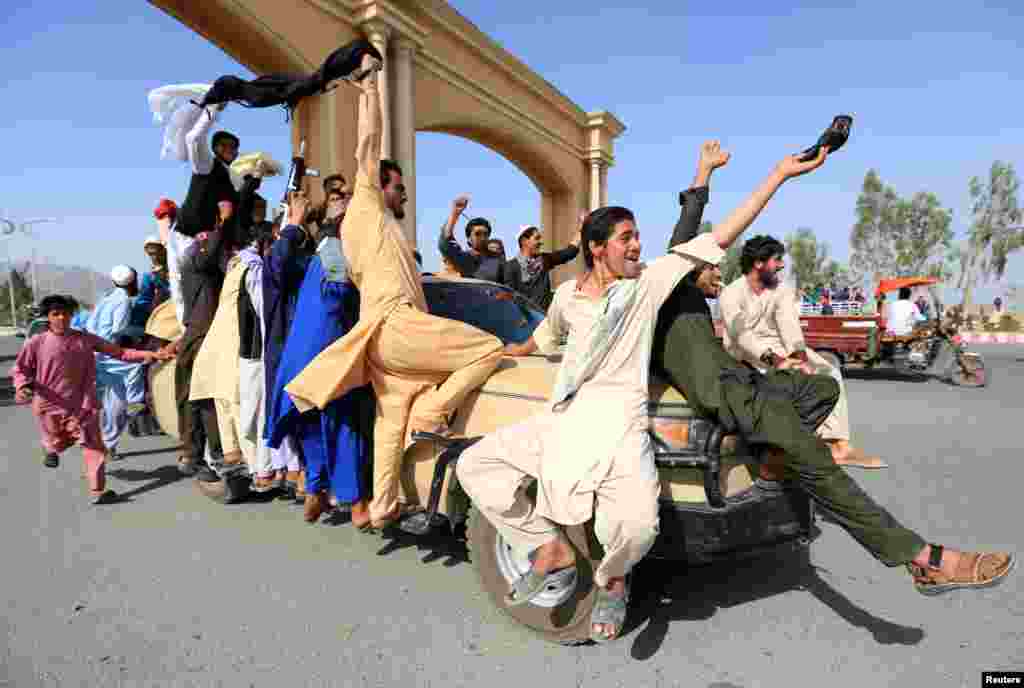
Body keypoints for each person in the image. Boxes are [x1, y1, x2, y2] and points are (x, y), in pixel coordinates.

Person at [456, 139, 821, 643]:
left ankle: (613, 579)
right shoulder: (566, 297)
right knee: (476, 465)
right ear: (596, 246)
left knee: (638, 527)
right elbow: (542, 340)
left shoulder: (647, 286)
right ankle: (546, 547)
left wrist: (778, 175)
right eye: (627, 237)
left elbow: (722, 234)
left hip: (621, 429)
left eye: (639, 237)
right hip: (565, 421)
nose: (636, 246)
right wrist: (504, 352)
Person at [649, 159, 1013, 622]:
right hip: (737, 402)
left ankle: (776, 459)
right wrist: (725, 175)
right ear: (687, 265)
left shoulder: (696, 302)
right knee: (823, 470)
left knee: (821, 386)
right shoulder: (667, 290)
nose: (720, 272)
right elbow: (688, 228)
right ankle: (926, 560)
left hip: (755, 388)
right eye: (712, 266)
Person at [285, 54, 504, 530]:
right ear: (379, 185)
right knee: (488, 347)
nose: (404, 194)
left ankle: (383, 506)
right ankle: (433, 413)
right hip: (397, 326)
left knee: (390, 419)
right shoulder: (365, 204)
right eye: (399, 187)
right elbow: (371, 140)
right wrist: (370, 89)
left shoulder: (385, 231)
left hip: (385, 339)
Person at [719, 235, 886, 469]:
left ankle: (838, 445)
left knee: (829, 371)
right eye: (776, 260)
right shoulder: (731, 294)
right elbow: (742, 336)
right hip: (743, 352)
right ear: (758, 263)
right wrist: (777, 362)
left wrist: (800, 358)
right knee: (780, 380)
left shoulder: (781, 290)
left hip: (777, 347)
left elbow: (789, 326)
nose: (781, 265)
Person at [268, 195, 373, 524]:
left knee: (312, 423)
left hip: (302, 357)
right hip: (329, 354)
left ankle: (316, 488)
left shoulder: (312, 257)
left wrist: (296, 224)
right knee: (343, 425)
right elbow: (341, 296)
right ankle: (356, 503)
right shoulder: (336, 252)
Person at [13, 295, 168, 504]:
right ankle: (51, 448)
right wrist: (22, 386)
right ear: (48, 317)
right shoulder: (36, 343)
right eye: (55, 314)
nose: (61, 318)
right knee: (58, 440)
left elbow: (120, 352)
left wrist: (151, 354)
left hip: (82, 406)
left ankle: (98, 490)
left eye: (66, 313)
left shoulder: (85, 339)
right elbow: (21, 369)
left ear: (72, 315)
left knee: (93, 446)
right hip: (49, 405)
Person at [262, 190, 316, 498]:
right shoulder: (272, 266)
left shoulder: (303, 263)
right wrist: (294, 221)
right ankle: (300, 474)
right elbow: (280, 262)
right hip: (286, 350)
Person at [86, 265, 149, 460]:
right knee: (135, 365)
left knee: (115, 403)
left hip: (97, 351)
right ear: (132, 281)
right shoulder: (122, 301)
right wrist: (142, 333)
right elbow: (119, 329)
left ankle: (108, 444)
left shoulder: (106, 299)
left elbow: (90, 325)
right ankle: (136, 402)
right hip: (107, 352)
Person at [177, 103, 240, 237]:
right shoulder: (207, 164)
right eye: (223, 145)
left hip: (209, 239)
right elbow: (193, 139)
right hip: (187, 237)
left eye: (233, 147)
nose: (229, 149)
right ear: (214, 148)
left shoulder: (230, 176)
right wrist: (213, 108)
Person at [504, 221, 582, 311]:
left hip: (543, 317)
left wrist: (580, 230)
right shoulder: (511, 266)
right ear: (524, 241)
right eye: (537, 238)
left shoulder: (544, 259)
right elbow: (509, 296)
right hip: (524, 320)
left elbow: (569, 252)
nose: (541, 242)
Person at [438, 197, 505, 283]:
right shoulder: (466, 259)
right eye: (477, 234)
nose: (482, 237)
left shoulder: (497, 261)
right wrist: (455, 214)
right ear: (469, 239)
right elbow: (445, 244)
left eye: (486, 234)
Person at [133, 236, 171, 335]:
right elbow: (144, 299)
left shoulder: (176, 266)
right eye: (151, 254)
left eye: (156, 253)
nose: (154, 257)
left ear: (164, 250)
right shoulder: (150, 276)